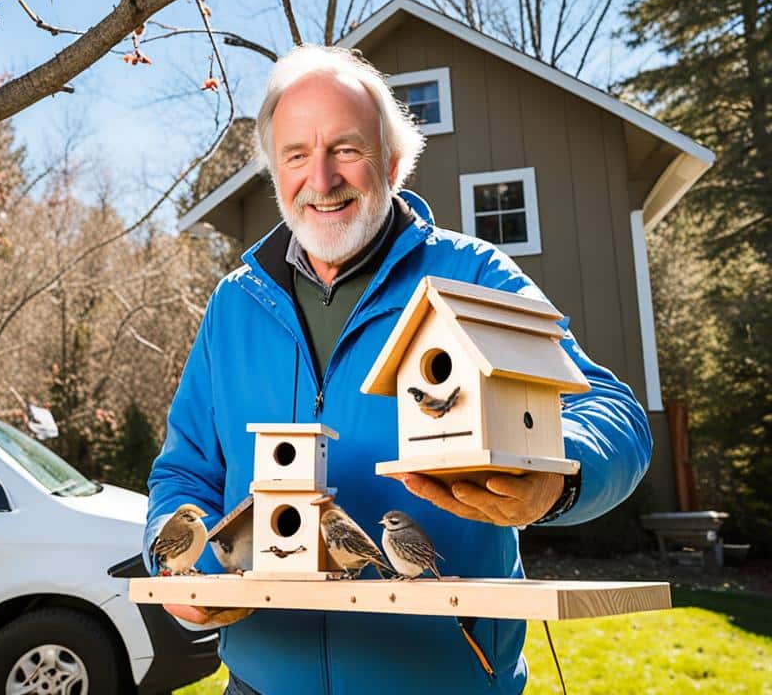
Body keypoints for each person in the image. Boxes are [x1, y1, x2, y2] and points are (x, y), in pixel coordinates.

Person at [144, 45, 652, 694]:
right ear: (275, 172)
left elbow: (614, 415)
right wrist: (177, 564)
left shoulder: (473, 277)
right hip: (260, 681)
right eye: (296, 154)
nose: (321, 178)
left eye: (345, 149)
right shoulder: (233, 307)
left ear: (390, 162)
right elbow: (185, 472)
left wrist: (557, 477)